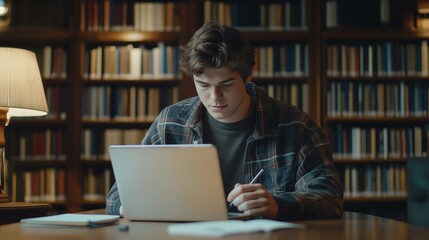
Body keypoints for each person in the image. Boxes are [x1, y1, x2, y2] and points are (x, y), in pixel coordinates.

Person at [106, 21, 343, 220]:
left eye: (226, 85)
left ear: (249, 74)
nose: (214, 97)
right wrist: (133, 206)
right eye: (203, 85)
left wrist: (278, 205)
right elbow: (117, 195)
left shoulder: (296, 127)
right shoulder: (170, 123)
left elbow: (329, 197)